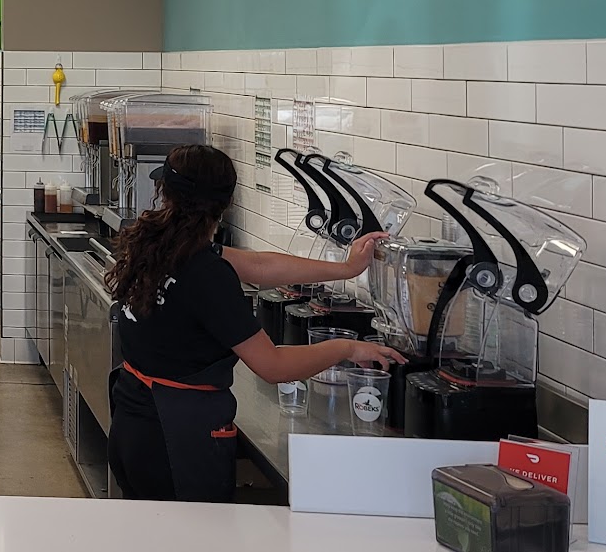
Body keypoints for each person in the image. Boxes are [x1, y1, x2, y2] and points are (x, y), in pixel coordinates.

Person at [103, 143, 404, 502]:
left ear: (164, 192)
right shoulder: (205, 273)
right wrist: (348, 348)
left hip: (133, 423)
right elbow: (273, 366)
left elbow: (259, 266)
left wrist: (348, 268)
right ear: (226, 203)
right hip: (175, 440)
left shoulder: (156, 242)